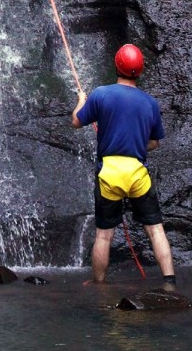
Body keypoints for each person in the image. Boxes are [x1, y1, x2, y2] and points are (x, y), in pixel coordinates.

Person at [71, 43, 176, 285]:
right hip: (137, 173)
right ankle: (170, 281)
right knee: (156, 230)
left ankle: (98, 284)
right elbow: (154, 143)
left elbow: (76, 121)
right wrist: (135, 144)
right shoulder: (150, 103)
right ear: (140, 70)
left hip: (110, 172)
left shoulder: (101, 94)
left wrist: (80, 100)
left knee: (104, 235)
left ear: (116, 65)